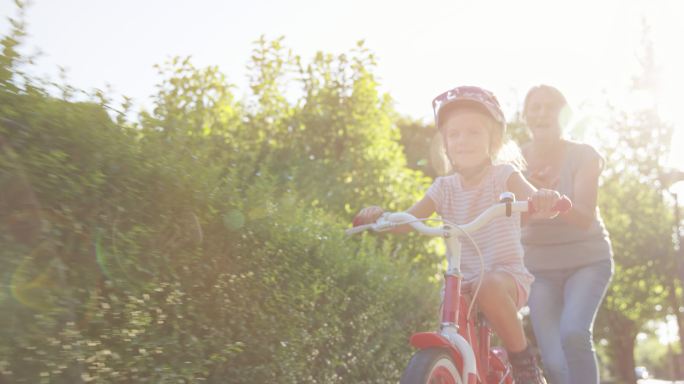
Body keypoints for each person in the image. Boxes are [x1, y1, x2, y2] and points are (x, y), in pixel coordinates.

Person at [354, 85, 559, 384]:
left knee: (488, 286)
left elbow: (537, 202)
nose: (463, 140)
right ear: (445, 145)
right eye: (455, 134)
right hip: (461, 283)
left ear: (494, 140)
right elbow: (409, 220)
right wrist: (380, 216)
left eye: (474, 132)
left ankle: (523, 362)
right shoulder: (443, 187)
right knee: (450, 317)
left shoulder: (503, 176)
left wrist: (544, 198)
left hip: (504, 278)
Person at [520, 85, 613, 384]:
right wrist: (533, 199)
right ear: (525, 117)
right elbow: (509, 216)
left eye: (550, 106)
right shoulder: (514, 161)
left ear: (564, 115)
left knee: (573, 333)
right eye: (535, 107)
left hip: (586, 261)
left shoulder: (584, 155)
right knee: (554, 361)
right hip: (539, 270)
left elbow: (584, 216)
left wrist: (553, 197)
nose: (542, 112)